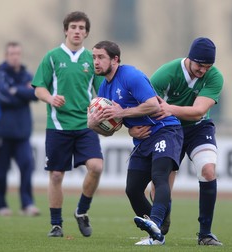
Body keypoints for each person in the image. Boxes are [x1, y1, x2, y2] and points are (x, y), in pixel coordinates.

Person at [87, 40, 183, 246]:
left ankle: (155, 225)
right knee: (132, 189)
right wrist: (93, 124)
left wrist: (123, 113)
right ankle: (158, 228)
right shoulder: (104, 89)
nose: (96, 62)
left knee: (159, 177)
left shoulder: (131, 75)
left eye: (101, 57)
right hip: (142, 140)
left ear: (115, 59)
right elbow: (110, 130)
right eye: (94, 57)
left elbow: (153, 105)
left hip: (165, 130)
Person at [130, 37, 224, 246]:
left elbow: (199, 111)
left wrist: (169, 108)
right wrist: (132, 128)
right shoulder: (166, 74)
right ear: (189, 58)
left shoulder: (215, 77)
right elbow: (146, 105)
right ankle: (162, 224)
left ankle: (205, 234)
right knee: (159, 184)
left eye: (208, 66)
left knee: (208, 170)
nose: (203, 70)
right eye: (199, 65)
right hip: (168, 130)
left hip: (198, 129)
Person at [32, 11, 104, 238]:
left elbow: (102, 93)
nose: (77, 31)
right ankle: (56, 225)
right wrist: (50, 98)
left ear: (87, 33)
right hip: (58, 125)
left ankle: (81, 211)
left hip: (86, 125)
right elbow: (38, 88)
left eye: (82, 28)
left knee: (96, 167)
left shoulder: (92, 60)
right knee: (55, 176)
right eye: (73, 27)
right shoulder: (52, 56)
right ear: (65, 30)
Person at [0, 41, 40, 217]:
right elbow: (2, 96)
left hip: (22, 132)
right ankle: (1, 205)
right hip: (3, 132)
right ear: (6, 56)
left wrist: (14, 90)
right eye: (12, 54)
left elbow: (35, 94)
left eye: (17, 53)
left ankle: (27, 203)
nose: (15, 57)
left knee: (27, 165)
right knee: (1, 172)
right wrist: (21, 93)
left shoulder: (27, 75)